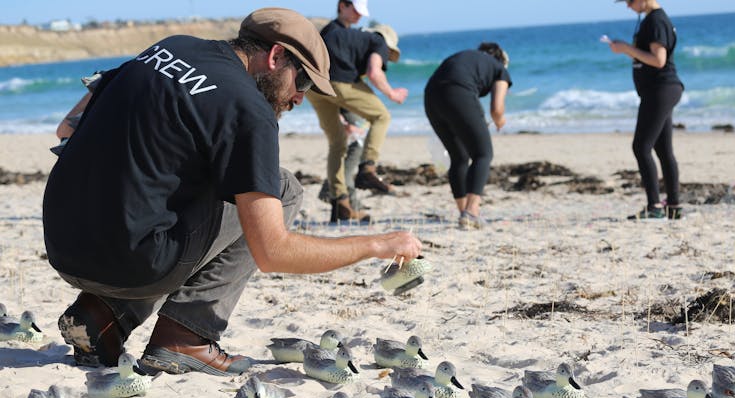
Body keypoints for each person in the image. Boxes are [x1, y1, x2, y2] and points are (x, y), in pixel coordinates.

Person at [42, 7, 421, 377]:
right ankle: (186, 335)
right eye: (302, 82)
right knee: (282, 187)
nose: (299, 99)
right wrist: (377, 245)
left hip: (62, 241)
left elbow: (67, 128)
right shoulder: (248, 108)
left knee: (182, 181)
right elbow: (273, 251)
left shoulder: (169, 47)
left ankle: (104, 314)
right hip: (128, 261)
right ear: (276, 56)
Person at [307, 0, 409, 223]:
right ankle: (367, 169)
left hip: (313, 87)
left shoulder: (339, 34)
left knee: (337, 143)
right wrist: (393, 94)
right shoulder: (377, 42)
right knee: (382, 116)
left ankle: (340, 204)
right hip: (339, 83)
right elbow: (374, 72)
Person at [609, 0, 684, 220]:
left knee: (641, 146)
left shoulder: (656, 21)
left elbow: (659, 60)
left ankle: (654, 206)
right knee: (662, 150)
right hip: (661, 89)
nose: (628, 6)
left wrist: (626, 49)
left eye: (630, 0)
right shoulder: (652, 20)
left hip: (661, 89)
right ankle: (673, 205)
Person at [424, 43, 512, 229]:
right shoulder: (499, 69)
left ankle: (464, 212)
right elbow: (496, 109)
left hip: (431, 95)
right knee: (483, 153)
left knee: (459, 157)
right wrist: (500, 120)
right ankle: (472, 211)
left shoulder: (468, 58)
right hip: (459, 92)